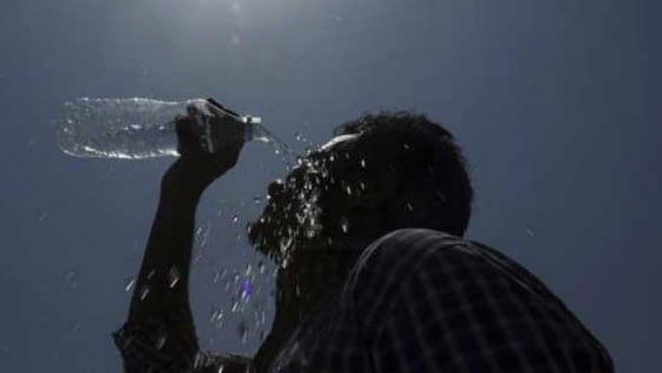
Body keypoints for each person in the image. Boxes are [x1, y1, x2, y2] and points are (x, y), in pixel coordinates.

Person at [114, 100, 613, 372]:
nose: (276, 183)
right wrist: (182, 187)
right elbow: (157, 361)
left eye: (311, 166)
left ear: (371, 189)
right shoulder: (280, 358)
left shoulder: (413, 270)